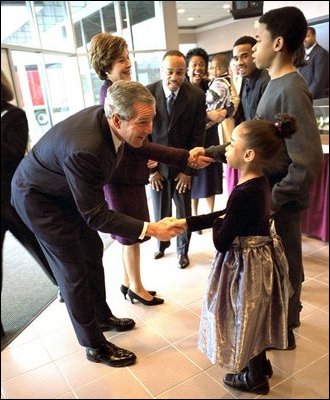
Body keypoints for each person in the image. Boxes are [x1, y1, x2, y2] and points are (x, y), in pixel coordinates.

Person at [10, 80, 205, 368]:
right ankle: (94, 345)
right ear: (117, 119)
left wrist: (184, 157)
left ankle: (102, 317)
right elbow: (96, 215)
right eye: (144, 122)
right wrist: (151, 228)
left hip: (64, 189)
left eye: (151, 119)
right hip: (38, 199)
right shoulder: (86, 148)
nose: (150, 128)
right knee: (73, 268)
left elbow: (142, 146)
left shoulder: (112, 124)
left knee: (92, 251)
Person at [178, 114, 297, 395]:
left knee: (245, 315)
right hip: (261, 260)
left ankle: (255, 378)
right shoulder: (260, 182)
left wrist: (217, 223)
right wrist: (188, 223)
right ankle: (260, 365)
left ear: (248, 154)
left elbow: (221, 240)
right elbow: (230, 215)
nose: (226, 149)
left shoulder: (244, 191)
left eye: (231, 144)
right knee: (256, 315)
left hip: (245, 267)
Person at [252, 5, 324, 350]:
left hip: (279, 199)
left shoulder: (292, 89)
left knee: (287, 262)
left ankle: (286, 324)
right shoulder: (273, 83)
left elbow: (306, 160)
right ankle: (281, 320)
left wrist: (274, 199)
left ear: (278, 43)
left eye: (258, 38)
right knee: (278, 263)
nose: (254, 46)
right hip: (270, 194)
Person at [89, 32, 162, 305]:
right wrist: (149, 156)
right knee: (133, 232)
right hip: (123, 176)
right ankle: (137, 288)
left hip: (126, 175)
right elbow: (128, 137)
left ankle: (128, 281)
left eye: (128, 56)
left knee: (128, 234)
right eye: (121, 59)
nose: (128, 63)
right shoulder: (111, 93)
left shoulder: (115, 90)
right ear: (106, 65)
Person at [1, 70, 58, 336]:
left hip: (14, 200)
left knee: (42, 247)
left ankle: (67, 290)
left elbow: (12, 155)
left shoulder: (14, 115)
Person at [147, 50, 206, 269]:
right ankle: (161, 246)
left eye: (179, 72)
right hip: (157, 168)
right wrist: (151, 171)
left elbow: (197, 137)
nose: (174, 76)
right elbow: (145, 136)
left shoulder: (196, 96)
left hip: (183, 167)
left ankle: (183, 251)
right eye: (170, 71)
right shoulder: (148, 93)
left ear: (185, 72)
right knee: (160, 211)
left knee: (183, 214)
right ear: (161, 71)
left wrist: (188, 171)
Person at [186, 48, 227, 229]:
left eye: (201, 64)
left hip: (210, 138)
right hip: (190, 140)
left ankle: (209, 216)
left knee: (210, 177)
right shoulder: (183, 88)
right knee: (192, 178)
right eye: (194, 64)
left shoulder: (211, 86)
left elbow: (231, 104)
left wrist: (226, 112)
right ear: (188, 68)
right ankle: (194, 216)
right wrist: (208, 115)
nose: (198, 68)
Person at [226, 36, 270, 194]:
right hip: (249, 153)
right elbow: (242, 119)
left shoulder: (267, 80)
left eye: (244, 56)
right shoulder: (245, 80)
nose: (239, 62)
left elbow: (263, 125)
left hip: (264, 158)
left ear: (255, 53)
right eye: (236, 58)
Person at [209, 54, 240, 145]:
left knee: (226, 141)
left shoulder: (227, 80)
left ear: (225, 69)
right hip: (213, 118)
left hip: (225, 118)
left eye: (218, 68)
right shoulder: (212, 81)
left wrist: (228, 111)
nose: (214, 71)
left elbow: (235, 98)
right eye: (212, 68)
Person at [299, 26, 329, 100]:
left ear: (314, 36)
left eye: (307, 36)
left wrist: (306, 98)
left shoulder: (321, 53)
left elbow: (318, 81)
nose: (304, 40)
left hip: (316, 99)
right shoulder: (303, 55)